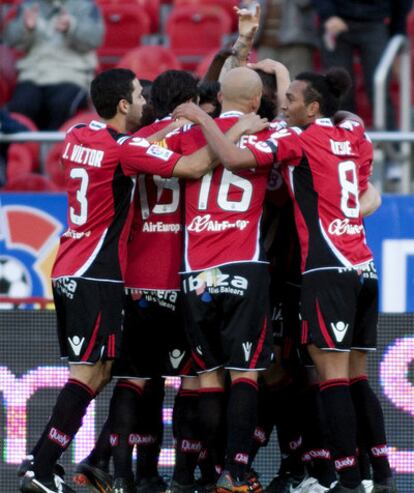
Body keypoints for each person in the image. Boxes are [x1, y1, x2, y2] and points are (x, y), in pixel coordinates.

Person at [18, 67, 262, 493]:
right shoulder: (126, 152)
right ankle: (41, 465)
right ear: (125, 105)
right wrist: (233, 127)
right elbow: (194, 164)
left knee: (110, 372)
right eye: (137, 94)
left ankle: (54, 463)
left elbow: (126, 146)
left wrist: (168, 125)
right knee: (91, 374)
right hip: (100, 273)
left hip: (71, 266)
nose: (144, 101)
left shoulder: (78, 137)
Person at [174, 68, 394, 493]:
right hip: (364, 268)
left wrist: (205, 119)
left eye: (290, 99)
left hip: (326, 268)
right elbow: (348, 120)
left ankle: (347, 480)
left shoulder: (297, 139)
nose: (283, 105)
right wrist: (280, 77)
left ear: (312, 108)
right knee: (357, 378)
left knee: (329, 379)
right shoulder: (353, 134)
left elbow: (235, 159)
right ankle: (380, 475)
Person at [165, 67, 278, 493]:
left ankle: (210, 473)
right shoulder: (267, 135)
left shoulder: (189, 135)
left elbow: (170, 165)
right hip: (244, 266)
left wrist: (196, 119)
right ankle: (236, 470)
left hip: (196, 270)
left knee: (208, 377)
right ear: (255, 103)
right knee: (245, 374)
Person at [4, 0, 104, 130]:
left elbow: (95, 39)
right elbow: (10, 40)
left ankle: (55, 150)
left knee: (61, 106)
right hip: (33, 74)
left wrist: (72, 27)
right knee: (21, 106)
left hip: (72, 75)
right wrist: (25, 27)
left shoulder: (85, 6)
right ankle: (22, 149)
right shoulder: (28, 5)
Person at [240, 0, 318, 78]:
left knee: (296, 84)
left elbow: (305, 3)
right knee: (266, 85)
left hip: (296, 47)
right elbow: (247, 14)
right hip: (266, 47)